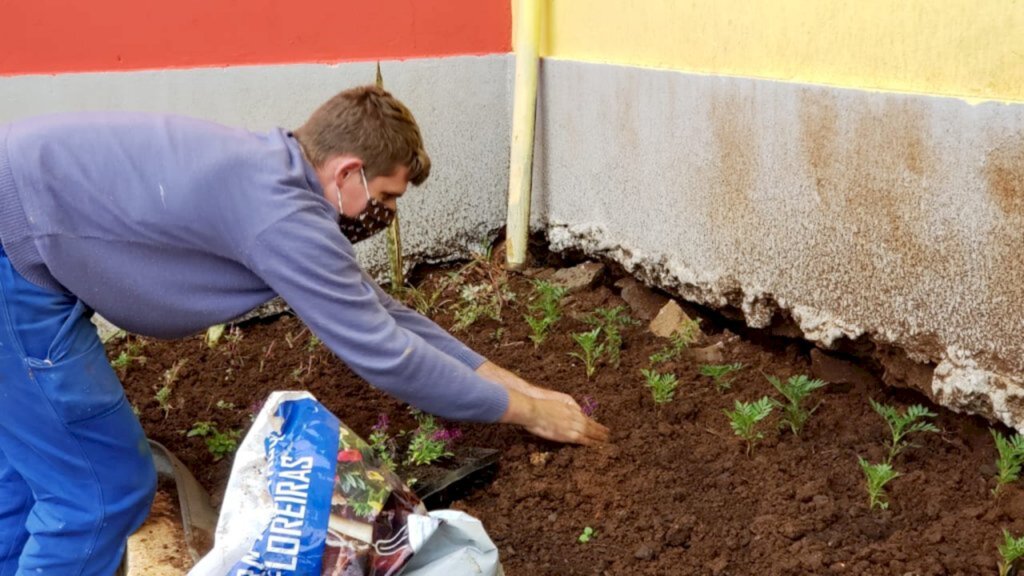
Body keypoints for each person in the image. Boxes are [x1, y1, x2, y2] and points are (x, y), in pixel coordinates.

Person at [0, 85, 609, 575]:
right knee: (100, 494)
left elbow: (386, 314)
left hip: (23, 247)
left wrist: (522, 388)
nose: (387, 215)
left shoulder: (274, 172)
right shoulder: (284, 219)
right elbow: (389, 357)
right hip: (13, 262)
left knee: (33, 473)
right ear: (347, 173)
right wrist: (524, 414)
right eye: (387, 196)